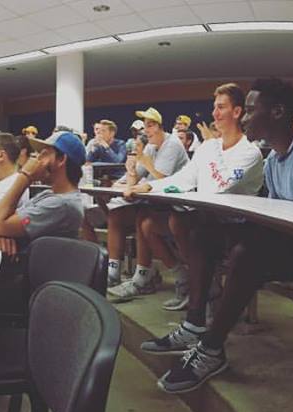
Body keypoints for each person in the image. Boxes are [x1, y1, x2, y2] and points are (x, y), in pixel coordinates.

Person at [146, 78, 293, 394]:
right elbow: (277, 213)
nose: (246, 117)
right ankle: (195, 323)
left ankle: (211, 348)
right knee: (203, 231)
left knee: (248, 252)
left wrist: (257, 237)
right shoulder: (275, 159)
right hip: (290, 238)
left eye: (251, 110)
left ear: (277, 112)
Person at [113, 83, 265, 308]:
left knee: (179, 221)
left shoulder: (250, 152)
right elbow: (185, 178)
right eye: (214, 107)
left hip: (234, 227)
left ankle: (204, 290)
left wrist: (213, 147)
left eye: (221, 107)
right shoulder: (209, 147)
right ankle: (195, 284)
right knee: (150, 224)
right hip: (205, 220)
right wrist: (148, 187)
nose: (214, 113)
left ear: (237, 112)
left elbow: (220, 186)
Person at [91, 107, 189, 286]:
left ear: (160, 127)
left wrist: (143, 162)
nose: (147, 130)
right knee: (116, 215)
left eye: (151, 125)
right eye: (145, 126)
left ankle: (143, 277)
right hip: (157, 203)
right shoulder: (151, 147)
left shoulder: (173, 144)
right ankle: (113, 272)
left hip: (178, 207)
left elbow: (161, 178)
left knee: (143, 216)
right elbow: (135, 178)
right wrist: (131, 170)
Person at [0, 130, 86, 255]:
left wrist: (25, 176)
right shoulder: (49, 194)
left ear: (61, 160)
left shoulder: (62, 205)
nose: (37, 159)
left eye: (44, 154)